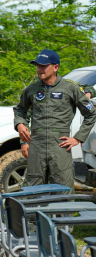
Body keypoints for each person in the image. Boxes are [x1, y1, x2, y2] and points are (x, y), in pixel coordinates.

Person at [14, 49, 96, 193]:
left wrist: (78, 138)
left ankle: (65, 215)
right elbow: (20, 110)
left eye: (43, 66)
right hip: (36, 146)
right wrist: (20, 125)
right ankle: (34, 216)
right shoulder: (31, 90)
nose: (39, 69)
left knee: (63, 187)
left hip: (60, 145)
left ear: (55, 67)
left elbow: (91, 113)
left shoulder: (71, 88)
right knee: (32, 188)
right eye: (37, 66)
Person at [20, 85, 95, 159]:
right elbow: (24, 116)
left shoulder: (67, 86)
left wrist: (87, 93)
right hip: (39, 143)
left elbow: (89, 88)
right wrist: (24, 142)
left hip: (60, 143)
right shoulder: (35, 90)